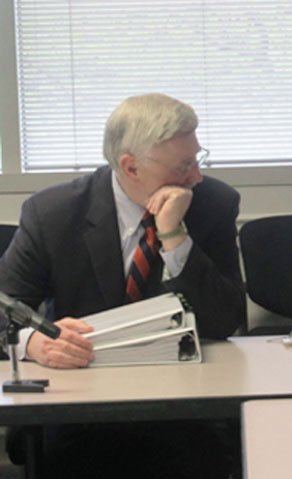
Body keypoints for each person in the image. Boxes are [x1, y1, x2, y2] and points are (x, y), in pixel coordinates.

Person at [0, 93, 245, 477]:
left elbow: (226, 320)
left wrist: (175, 237)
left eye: (198, 158)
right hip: (82, 407)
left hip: (182, 407)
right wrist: (35, 343)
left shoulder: (212, 203)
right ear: (130, 167)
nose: (196, 176)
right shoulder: (53, 213)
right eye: (184, 165)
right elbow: (4, 309)